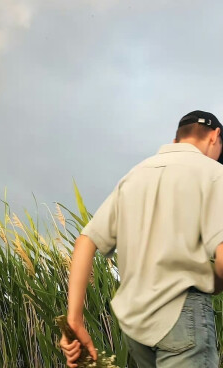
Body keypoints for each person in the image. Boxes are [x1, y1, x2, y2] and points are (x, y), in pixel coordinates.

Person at [60, 110, 223, 367]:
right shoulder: (214, 173)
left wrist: (75, 320)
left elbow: (85, 242)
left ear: (176, 140)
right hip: (183, 313)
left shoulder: (133, 176)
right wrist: (215, 281)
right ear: (214, 137)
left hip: (136, 324)